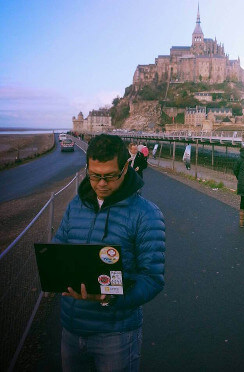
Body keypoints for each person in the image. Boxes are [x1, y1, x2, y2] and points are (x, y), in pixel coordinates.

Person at [53, 134, 165, 371]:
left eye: (110, 176)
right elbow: (58, 249)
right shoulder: (76, 205)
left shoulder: (147, 214)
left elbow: (152, 278)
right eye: (94, 175)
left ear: (126, 167)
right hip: (71, 328)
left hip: (117, 334)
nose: (101, 184)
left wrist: (112, 297)